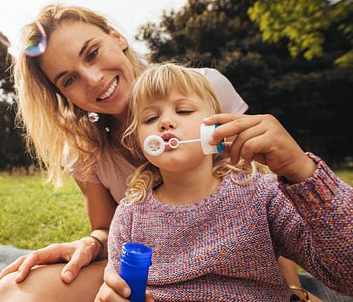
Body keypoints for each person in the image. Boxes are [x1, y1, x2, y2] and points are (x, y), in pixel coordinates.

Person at [0, 4, 321, 301]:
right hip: (154, 276)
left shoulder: (204, 89)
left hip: (235, 270)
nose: (92, 79)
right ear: (63, 95)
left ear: (117, 37)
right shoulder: (84, 150)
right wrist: (90, 243)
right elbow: (107, 229)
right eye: (69, 80)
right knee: (11, 293)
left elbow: (263, 198)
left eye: (91, 54)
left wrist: (293, 290)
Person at [95, 64, 353, 301]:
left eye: (183, 110)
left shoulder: (260, 195)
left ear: (218, 127)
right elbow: (118, 288)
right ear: (140, 141)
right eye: (150, 119)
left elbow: (345, 271)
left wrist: (302, 170)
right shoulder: (130, 214)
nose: (165, 122)